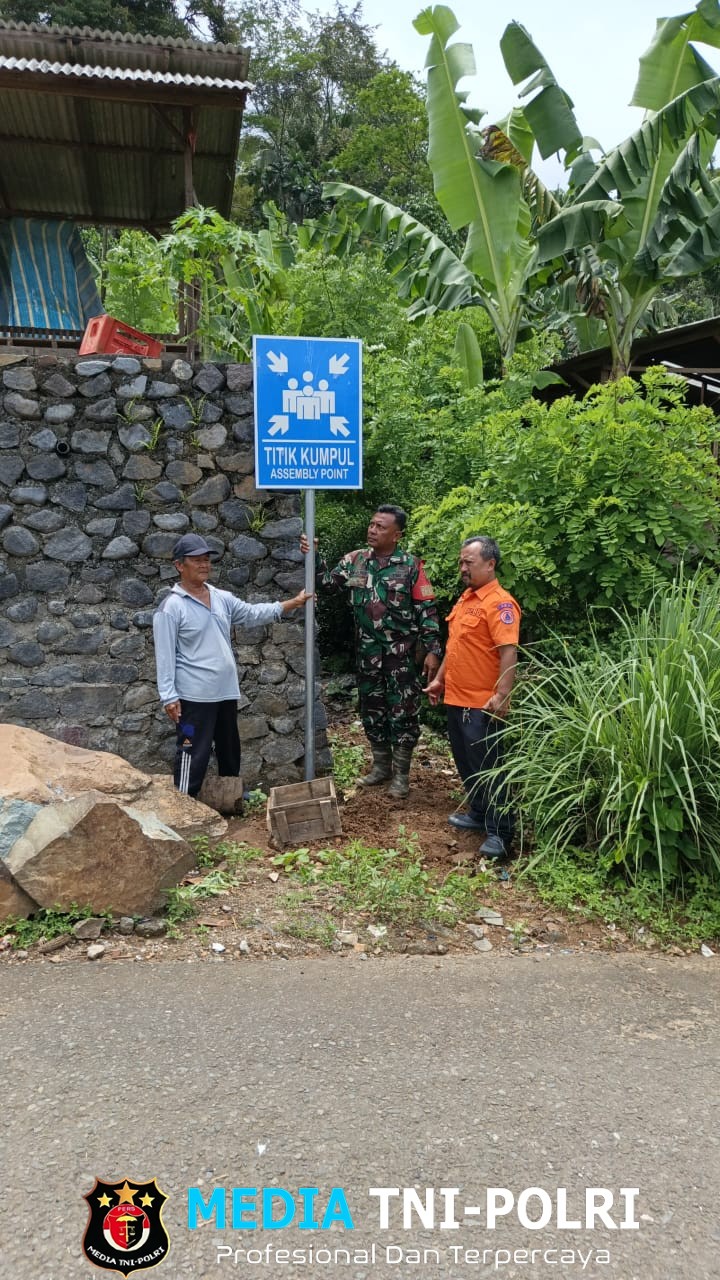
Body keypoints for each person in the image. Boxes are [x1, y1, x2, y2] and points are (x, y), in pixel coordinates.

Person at [153, 533, 311, 797]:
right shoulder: (171, 607)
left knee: (229, 748)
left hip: (225, 692)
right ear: (179, 565)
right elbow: (165, 655)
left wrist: (292, 603)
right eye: (196, 560)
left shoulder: (220, 597)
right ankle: (183, 803)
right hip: (193, 698)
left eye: (207, 559)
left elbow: (251, 614)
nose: (204, 565)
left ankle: (231, 795)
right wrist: (169, 696)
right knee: (192, 747)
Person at [300, 505, 442, 798]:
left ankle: (401, 776)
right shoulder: (356, 561)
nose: (372, 530)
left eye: (380, 527)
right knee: (372, 711)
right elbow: (326, 583)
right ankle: (381, 767)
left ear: (397, 535)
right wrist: (312, 554)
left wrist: (432, 650)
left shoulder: (411, 567)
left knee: (403, 713)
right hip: (367, 654)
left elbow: (427, 610)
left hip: (401, 656)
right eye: (372, 525)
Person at [426, 535, 520, 859]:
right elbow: (456, 647)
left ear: (490, 564)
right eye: (461, 562)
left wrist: (503, 695)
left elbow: (509, 651)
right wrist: (439, 680)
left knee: (489, 767)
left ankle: (501, 832)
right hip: (456, 698)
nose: (463, 567)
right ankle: (479, 814)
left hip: (482, 703)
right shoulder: (467, 599)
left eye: (470, 562)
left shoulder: (500, 603)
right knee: (467, 764)